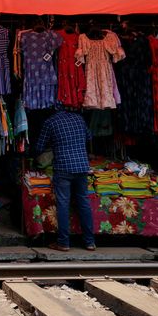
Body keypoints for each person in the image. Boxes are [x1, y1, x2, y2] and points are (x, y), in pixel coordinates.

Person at [35, 108, 96, 251]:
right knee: (84, 203)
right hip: (82, 166)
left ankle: (63, 243)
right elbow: (89, 137)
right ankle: (90, 242)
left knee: (63, 204)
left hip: (63, 168)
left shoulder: (50, 122)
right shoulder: (79, 119)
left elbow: (39, 147)